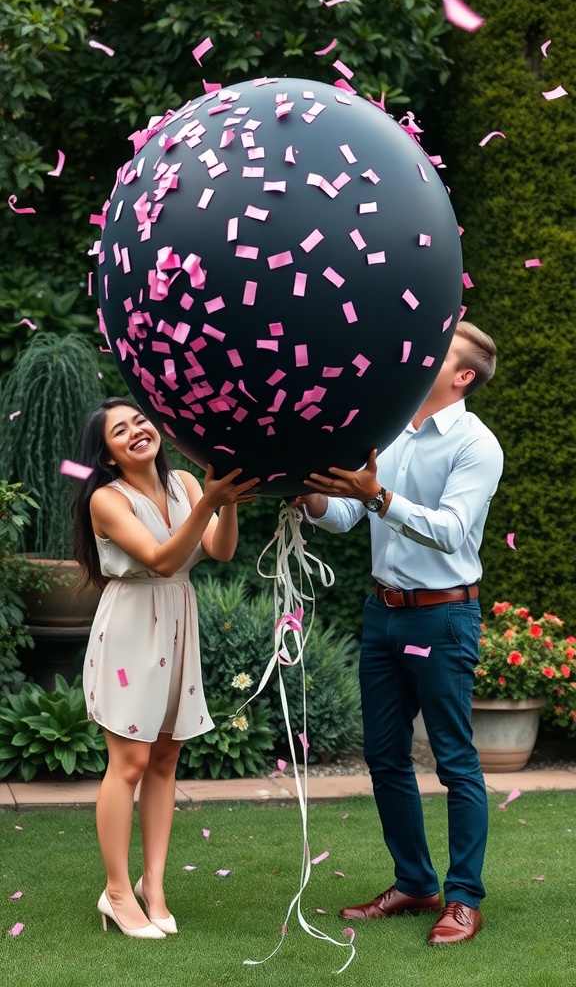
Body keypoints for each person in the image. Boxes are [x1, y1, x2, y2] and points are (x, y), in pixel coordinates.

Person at [297, 321, 503, 945]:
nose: (422, 354)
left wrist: (378, 494)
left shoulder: (476, 445)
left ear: (463, 375)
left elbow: (449, 530)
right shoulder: (388, 428)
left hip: (442, 617)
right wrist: (308, 496)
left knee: (455, 761)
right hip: (382, 613)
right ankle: (415, 882)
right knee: (384, 757)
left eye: (439, 353)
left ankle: (464, 898)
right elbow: (347, 513)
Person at [72, 397, 259, 939]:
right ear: (107, 454)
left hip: (178, 620)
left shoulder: (185, 482)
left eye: (140, 421)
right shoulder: (108, 499)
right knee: (128, 761)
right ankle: (116, 892)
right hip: (133, 626)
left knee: (165, 756)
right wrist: (209, 503)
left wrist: (227, 500)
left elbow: (220, 551)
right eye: (119, 431)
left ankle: (154, 885)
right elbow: (159, 558)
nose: (136, 431)